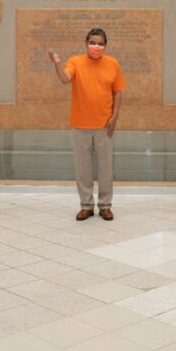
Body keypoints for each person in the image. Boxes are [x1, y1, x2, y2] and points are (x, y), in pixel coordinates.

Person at [48, 28, 125, 221]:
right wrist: (57, 64)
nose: (96, 46)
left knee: (106, 168)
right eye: (93, 42)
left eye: (100, 43)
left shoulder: (113, 64)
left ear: (105, 45)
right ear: (86, 43)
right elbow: (65, 79)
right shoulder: (75, 61)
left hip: (104, 125)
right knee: (83, 169)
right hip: (80, 125)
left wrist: (114, 116)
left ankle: (105, 205)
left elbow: (117, 91)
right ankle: (86, 205)